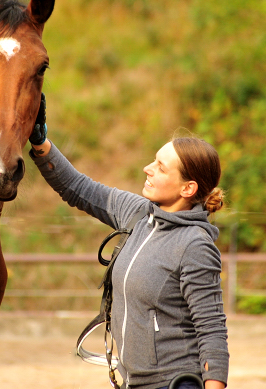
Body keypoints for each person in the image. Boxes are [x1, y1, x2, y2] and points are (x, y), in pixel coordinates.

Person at [28, 95, 229, 389]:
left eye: (160, 167)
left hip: (174, 383)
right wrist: (40, 142)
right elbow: (78, 188)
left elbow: (212, 329)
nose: (147, 168)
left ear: (188, 188)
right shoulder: (139, 213)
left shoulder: (195, 245)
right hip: (133, 382)